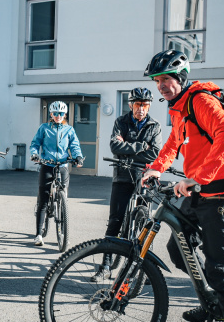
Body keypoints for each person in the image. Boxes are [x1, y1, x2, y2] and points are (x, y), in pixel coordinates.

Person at [140, 49, 224, 322]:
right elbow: (174, 141)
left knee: (219, 271)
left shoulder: (200, 100)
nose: (161, 85)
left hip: (221, 194)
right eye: (157, 81)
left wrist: (198, 178)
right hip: (198, 191)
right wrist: (156, 168)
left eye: (166, 79)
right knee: (177, 248)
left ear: (181, 78)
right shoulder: (177, 108)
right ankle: (210, 301)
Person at [92, 87, 162, 280]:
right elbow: (115, 146)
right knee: (115, 221)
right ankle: (105, 267)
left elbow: (155, 152)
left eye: (145, 105)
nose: (141, 109)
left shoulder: (154, 126)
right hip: (122, 175)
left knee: (146, 223)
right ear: (131, 105)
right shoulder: (120, 122)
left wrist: (128, 148)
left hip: (145, 176)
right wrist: (141, 146)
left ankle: (145, 271)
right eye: (138, 104)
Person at [29, 101, 84, 247]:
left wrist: (78, 156)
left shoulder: (69, 130)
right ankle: (39, 234)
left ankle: (64, 234)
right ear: (51, 114)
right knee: (44, 200)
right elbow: (35, 143)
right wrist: (34, 154)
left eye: (61, 113)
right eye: (55, 113)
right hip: (47, 164)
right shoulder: (44, 128)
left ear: (64, 114)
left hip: (63, 165)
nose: (58, 116)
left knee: (64, 196)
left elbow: (74, 145)